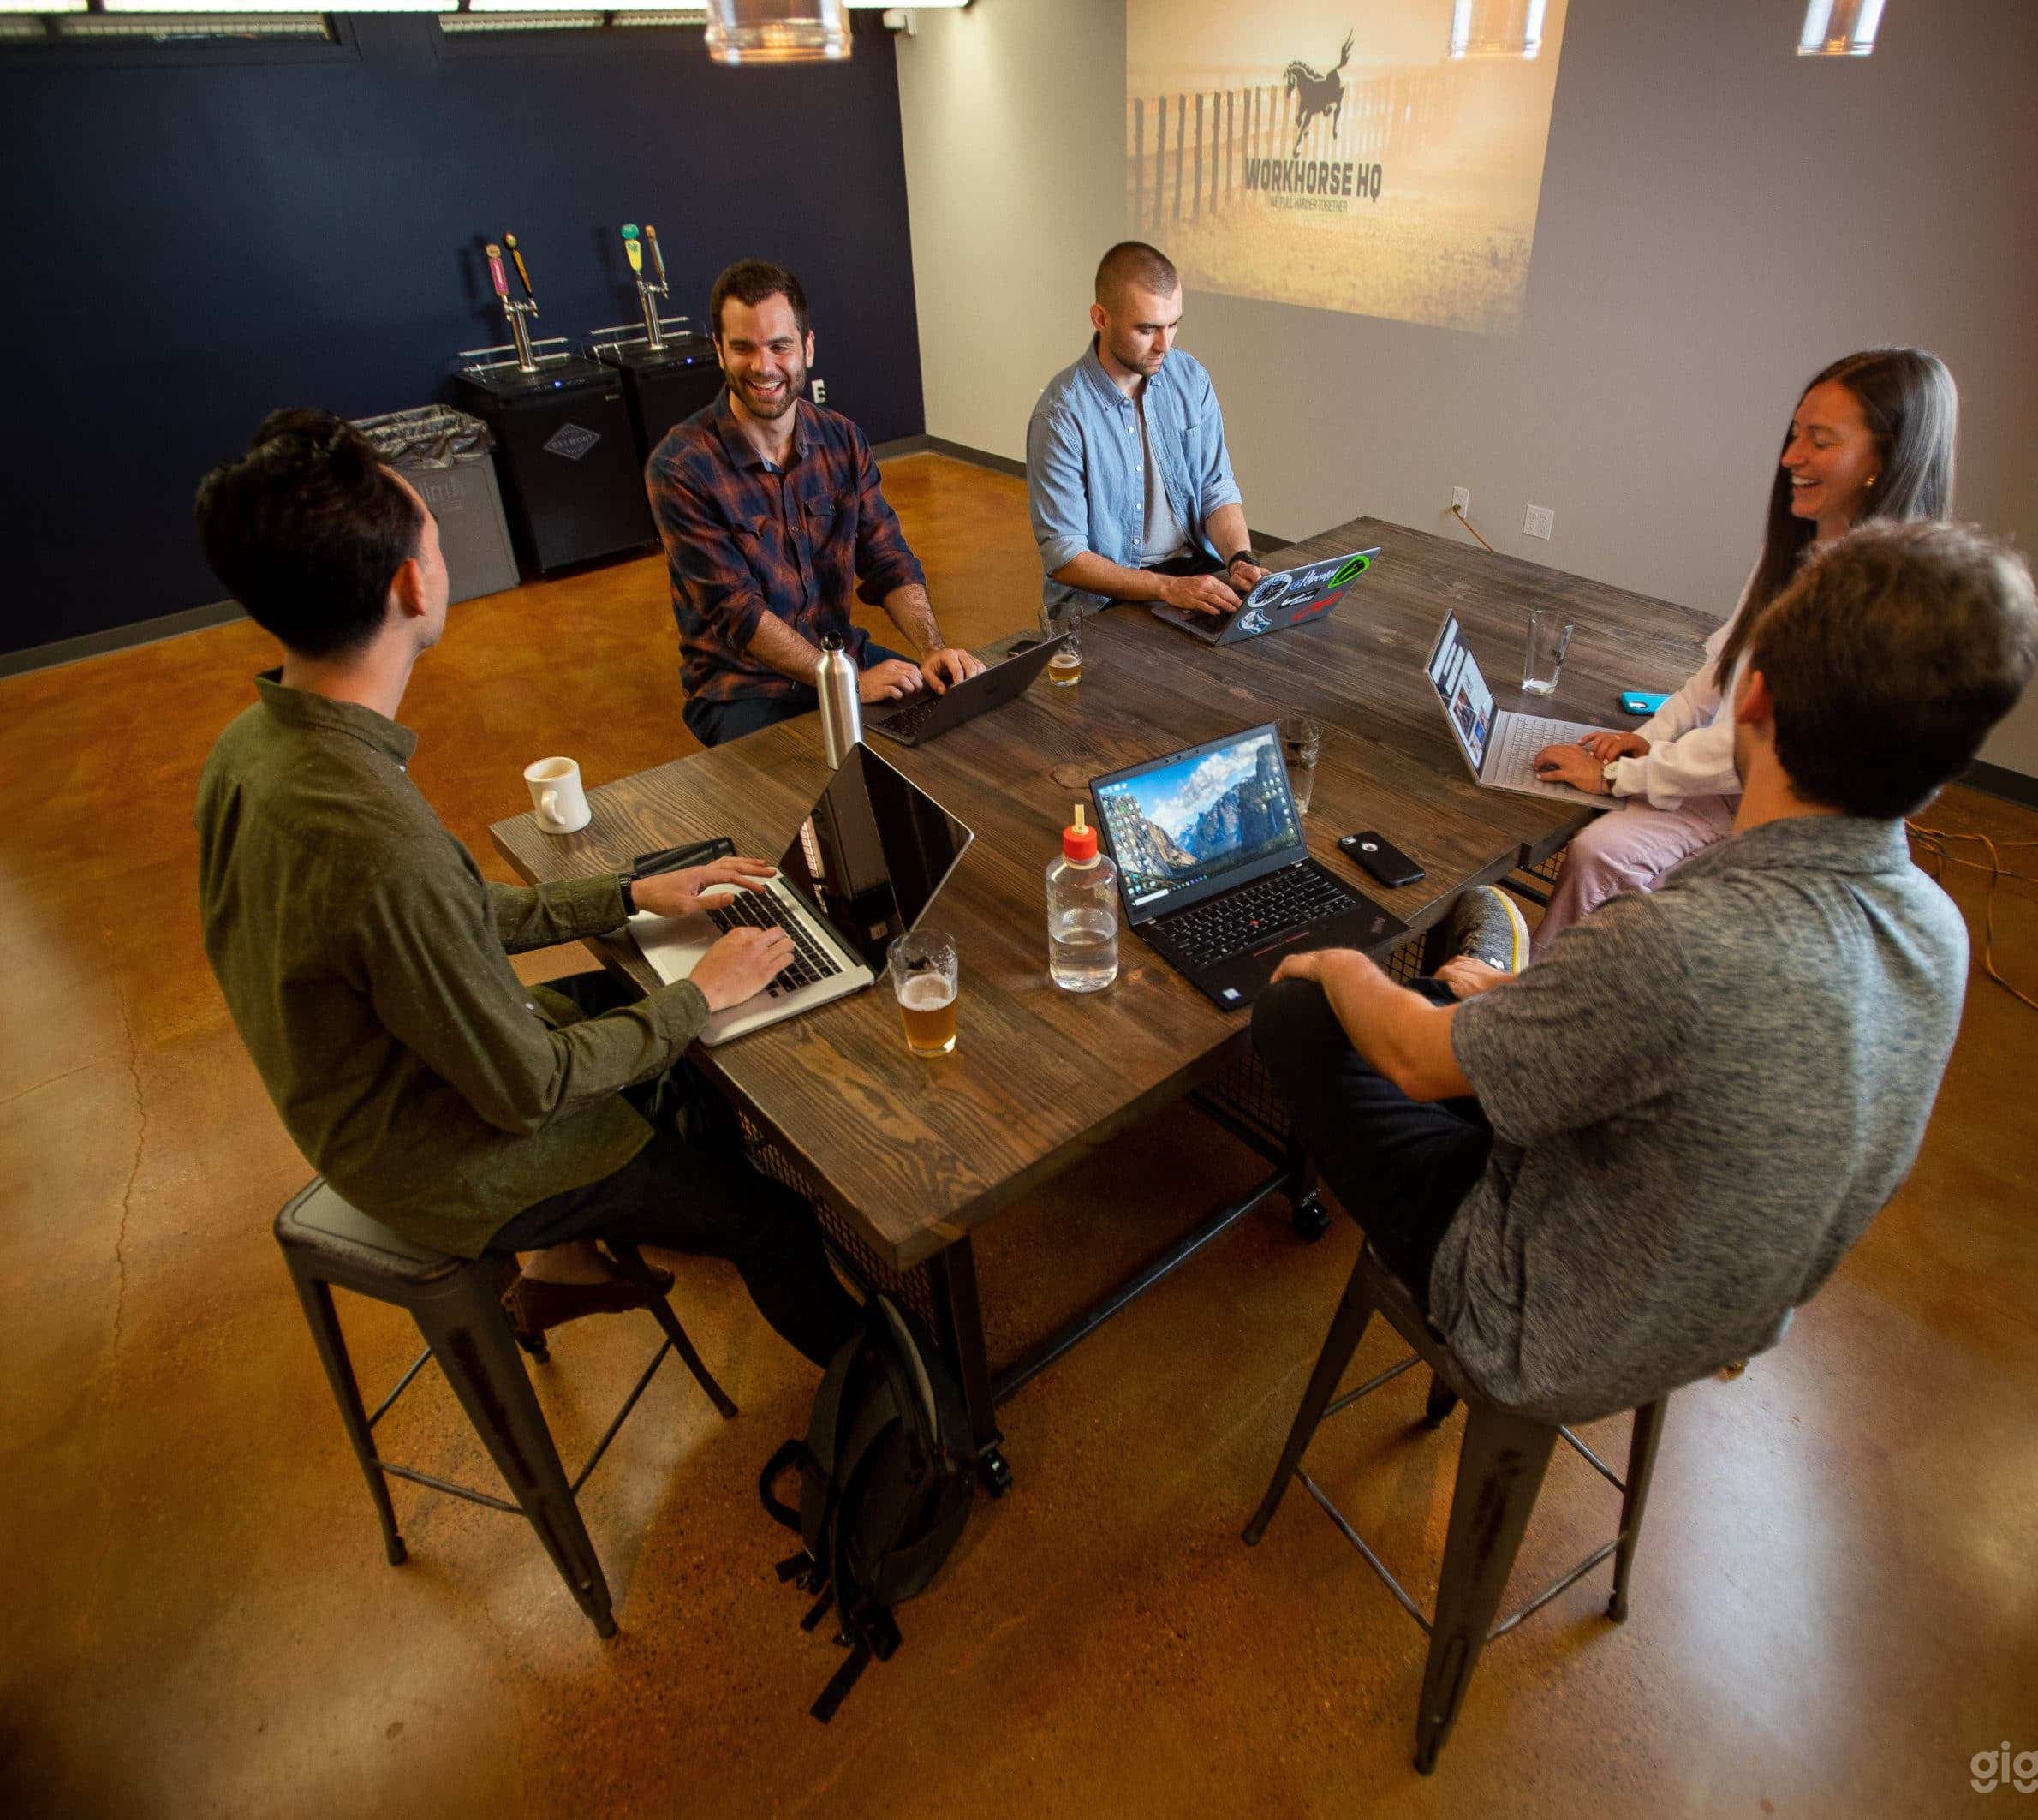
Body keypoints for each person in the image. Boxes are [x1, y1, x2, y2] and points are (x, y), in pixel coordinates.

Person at [1252, 520, 2038, 1421]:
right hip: (1718, 1310)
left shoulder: (1680, 944)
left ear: (1753, 699)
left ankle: (1478, 979)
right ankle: (1505, 986)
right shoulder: (1937, 931)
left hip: (1539, 1321)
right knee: (1488, 973)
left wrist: (1344, 962)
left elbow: (1412, 1062)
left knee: (1303, 1009)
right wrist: (1524, 1003)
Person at [194, 409, 862, 1364]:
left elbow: (431, 926)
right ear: (411, 583)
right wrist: (700, 992)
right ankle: (888, 1397)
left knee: (652, 1007)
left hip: (362, 1099)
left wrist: (633, 893)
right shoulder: (377, 840)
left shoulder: (255, 747)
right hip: (452, 1159)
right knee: (776, 1220)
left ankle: (639, 1205)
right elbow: (528, 1087)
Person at [1528, 347, 1958, 946]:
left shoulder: (1877, 606)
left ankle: (1554, 1001)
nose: (1791, 457)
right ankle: (1548, 994)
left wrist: (1621, 780)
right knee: (1599, 852)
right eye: (1795, 433)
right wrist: (1648, 738)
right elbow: (1721, 665)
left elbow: (1746, 742)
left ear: (1884, 460)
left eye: (1820, 441)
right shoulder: (1793, 545)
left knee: (1604, 852)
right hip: (1727, 783)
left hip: (1774, 811)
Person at [648, 260, 983, 749]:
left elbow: (888, 559)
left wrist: (933, 648)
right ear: (719, 351)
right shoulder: (681, 467)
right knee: (826, 794)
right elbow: (737, 612)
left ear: (807, 347)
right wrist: (844, 682)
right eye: (743, 347)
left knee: (952, 721)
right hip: (743, 692)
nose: (764, 366)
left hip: (841, 659)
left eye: (779, 345)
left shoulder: (842, 439)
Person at [1025, 241, 1271, 628]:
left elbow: (1215, 488)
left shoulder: (1190, 379)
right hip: (1106, 603)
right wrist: (1165, 588)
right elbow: (1064, 555)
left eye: (1173, 324)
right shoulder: (1060, 417)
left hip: (1194, 574)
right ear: (1101, 318)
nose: (1164, 344)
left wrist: (1239, 557)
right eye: (1147, 329)